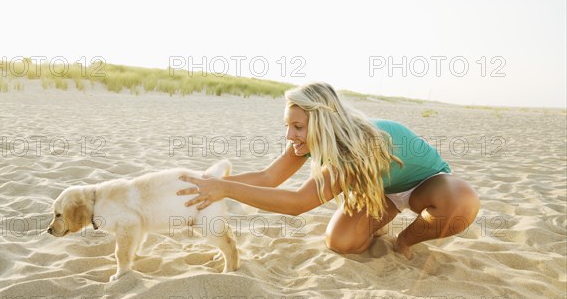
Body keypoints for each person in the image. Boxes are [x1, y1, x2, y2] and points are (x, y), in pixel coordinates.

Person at [178, 82, 479, 259]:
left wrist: (227, 190)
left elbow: (298, 204)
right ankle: (382, 220)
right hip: (380, 193)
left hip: (427, 184)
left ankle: (404, 241)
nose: (290, 135)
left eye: (297, 127)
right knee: (342, 243)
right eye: (288, 126)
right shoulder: (309, 140)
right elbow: (268, 178)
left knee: (460, 203)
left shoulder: (356, 147)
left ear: (323, 124)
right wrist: (211, 182)